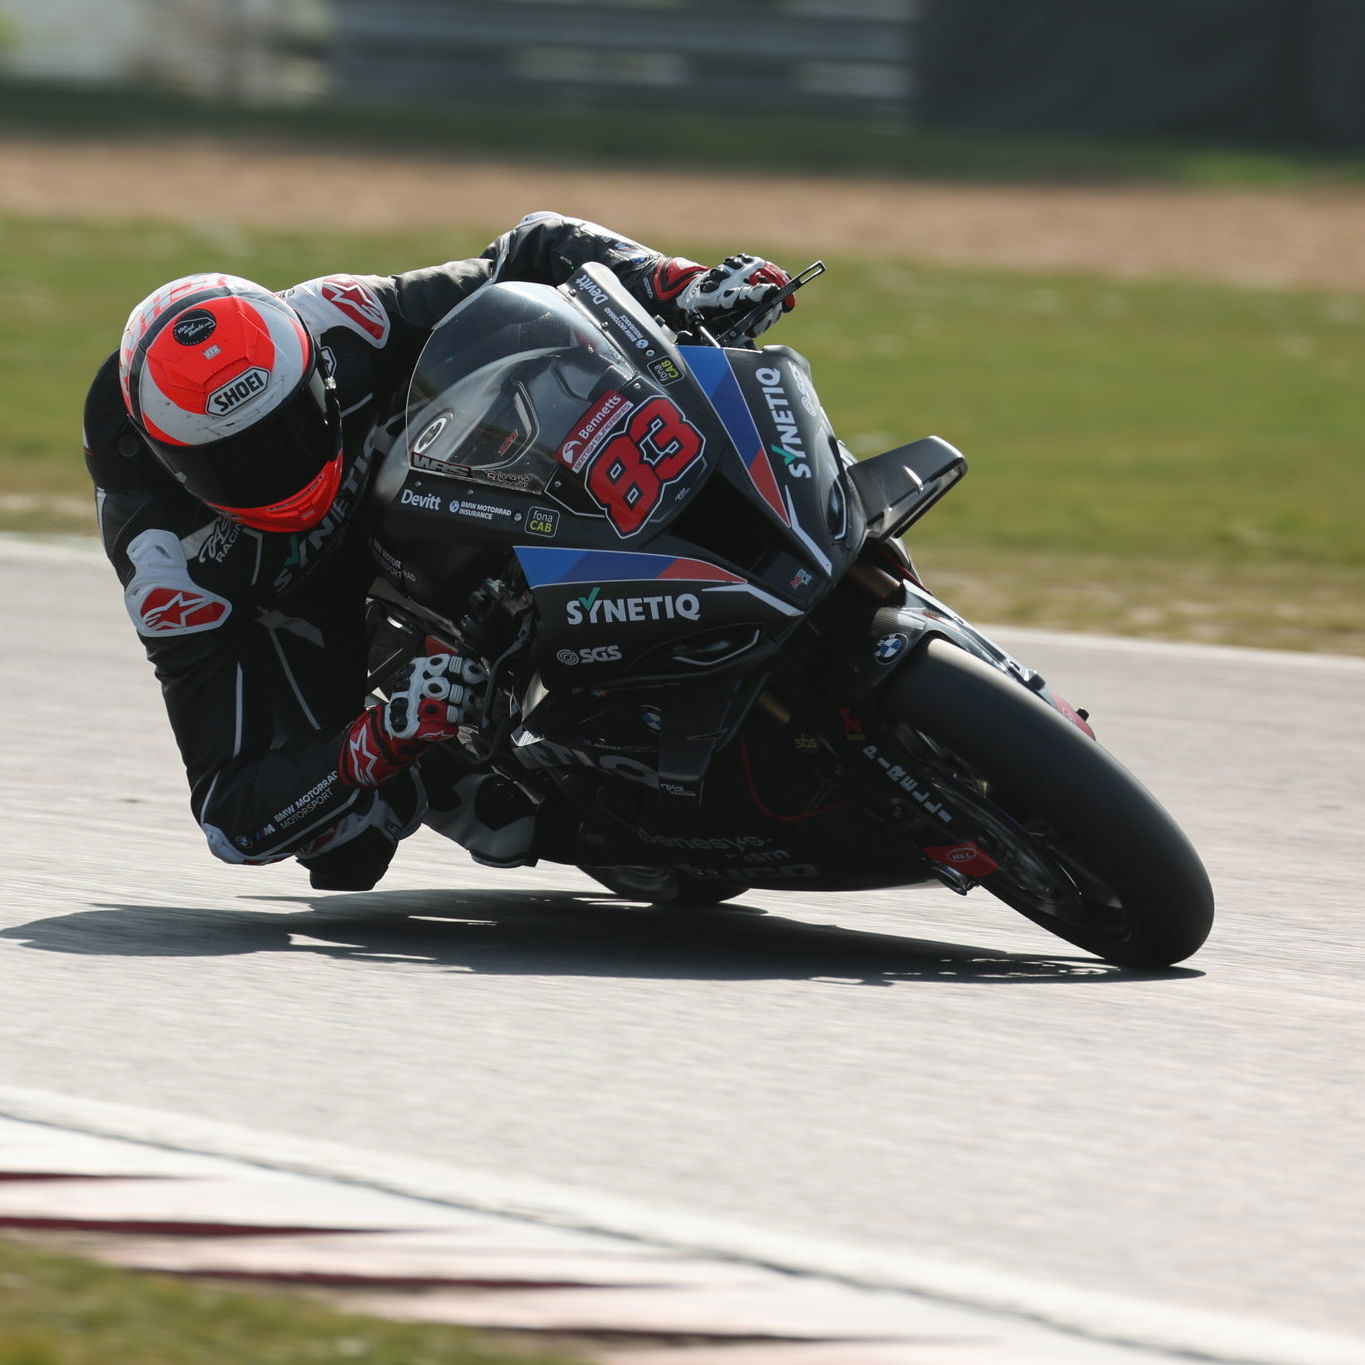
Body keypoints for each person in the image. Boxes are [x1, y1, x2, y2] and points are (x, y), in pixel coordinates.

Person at [84, 212, 795, 891]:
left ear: (313, 369)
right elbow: (229, 811)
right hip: (299, 607)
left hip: (425, 487)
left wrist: (674, 282)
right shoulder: (167, 566)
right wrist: (380, 737)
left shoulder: (340, 317)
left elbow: (528, 251)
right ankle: (562, 814)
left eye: (293, 423)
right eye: (239, 463)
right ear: (175, 466)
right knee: (347, 846)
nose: (285, 466)